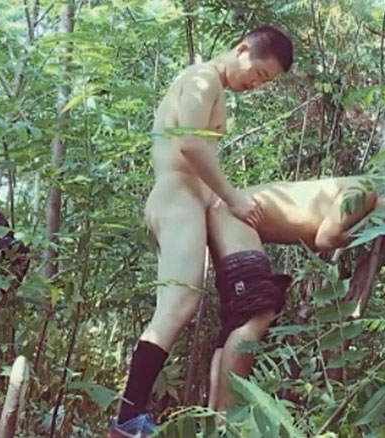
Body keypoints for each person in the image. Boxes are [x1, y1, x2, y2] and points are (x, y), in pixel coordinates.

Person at [106, 26, 294, 438]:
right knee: (177, 306)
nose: (256, 85)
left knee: (175, 307)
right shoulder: (203, 78)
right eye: (259, 74)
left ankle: (130, 418)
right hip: (177, 198)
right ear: (242, 50)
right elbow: (190, 143)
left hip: (183, 201)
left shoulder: (212, 86)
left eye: (265, 83)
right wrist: (233, 198)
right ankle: (126, 420)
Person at [205, 174, 385, 412]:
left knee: (234, 324)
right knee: (256, 316)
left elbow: (315, 237)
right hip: (235, 217)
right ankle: (227, 416)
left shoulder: (367, 197)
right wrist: (370, 225)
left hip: (227, 217)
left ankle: (214, 417)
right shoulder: (366, 190)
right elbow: (325, 238)